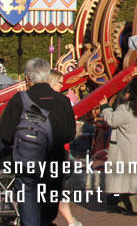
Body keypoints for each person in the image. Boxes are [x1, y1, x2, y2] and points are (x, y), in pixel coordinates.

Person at [0, 58, 77, 226]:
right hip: (54, 162)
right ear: (47, 76)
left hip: (27, 163)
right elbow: (69, 134)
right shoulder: (63, 101)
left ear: (27, 78)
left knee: (30, 214)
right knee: (47, 214)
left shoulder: (20, 99)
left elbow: (4, 134)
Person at [100, 78, 137, 215]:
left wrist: (105, 107)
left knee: (128, 179)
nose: (125, 95)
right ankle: (124, 204)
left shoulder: (125, 109)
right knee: (134, 179)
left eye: (126, 92)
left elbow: (112, 120)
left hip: (127, 149)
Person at [47, 70, 81, 226]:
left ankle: (70, 220)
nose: (62, 86)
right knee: (58, 188)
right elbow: (69, 132)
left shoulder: (35, 99)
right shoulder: (61, 101)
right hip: (57, 150)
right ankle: (70, 221)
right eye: (60, 82)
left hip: (39, 150)